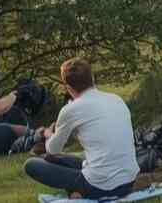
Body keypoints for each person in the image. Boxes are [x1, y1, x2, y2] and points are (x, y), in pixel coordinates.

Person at [23, 59, 139, 199]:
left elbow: (53, 149)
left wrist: (49, 134)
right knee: (55, 159)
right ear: (92, 78)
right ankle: (77, 191)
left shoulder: (71, 109)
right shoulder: (116, 99)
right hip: (129, 180)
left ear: (68, 88)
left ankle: (79, 192)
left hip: (101, 186)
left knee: (32, 164)